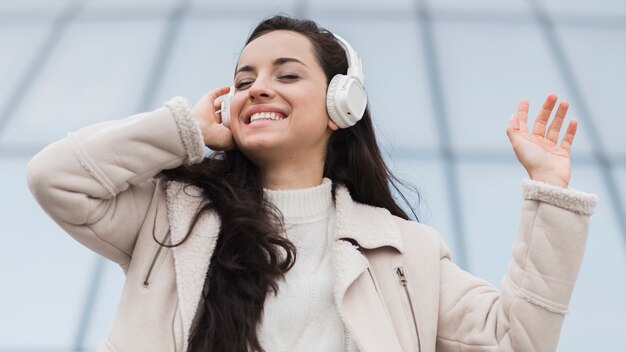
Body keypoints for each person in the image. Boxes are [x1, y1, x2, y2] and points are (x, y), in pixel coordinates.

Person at [26, 14, 598, 352]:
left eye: (287, 74)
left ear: (339, 107)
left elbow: (514, 340)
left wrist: (549, 190)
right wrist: (184, 131)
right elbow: (56, 178)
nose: (257, 89)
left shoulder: (405, 253)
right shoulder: (168, 217)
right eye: (243, 79)